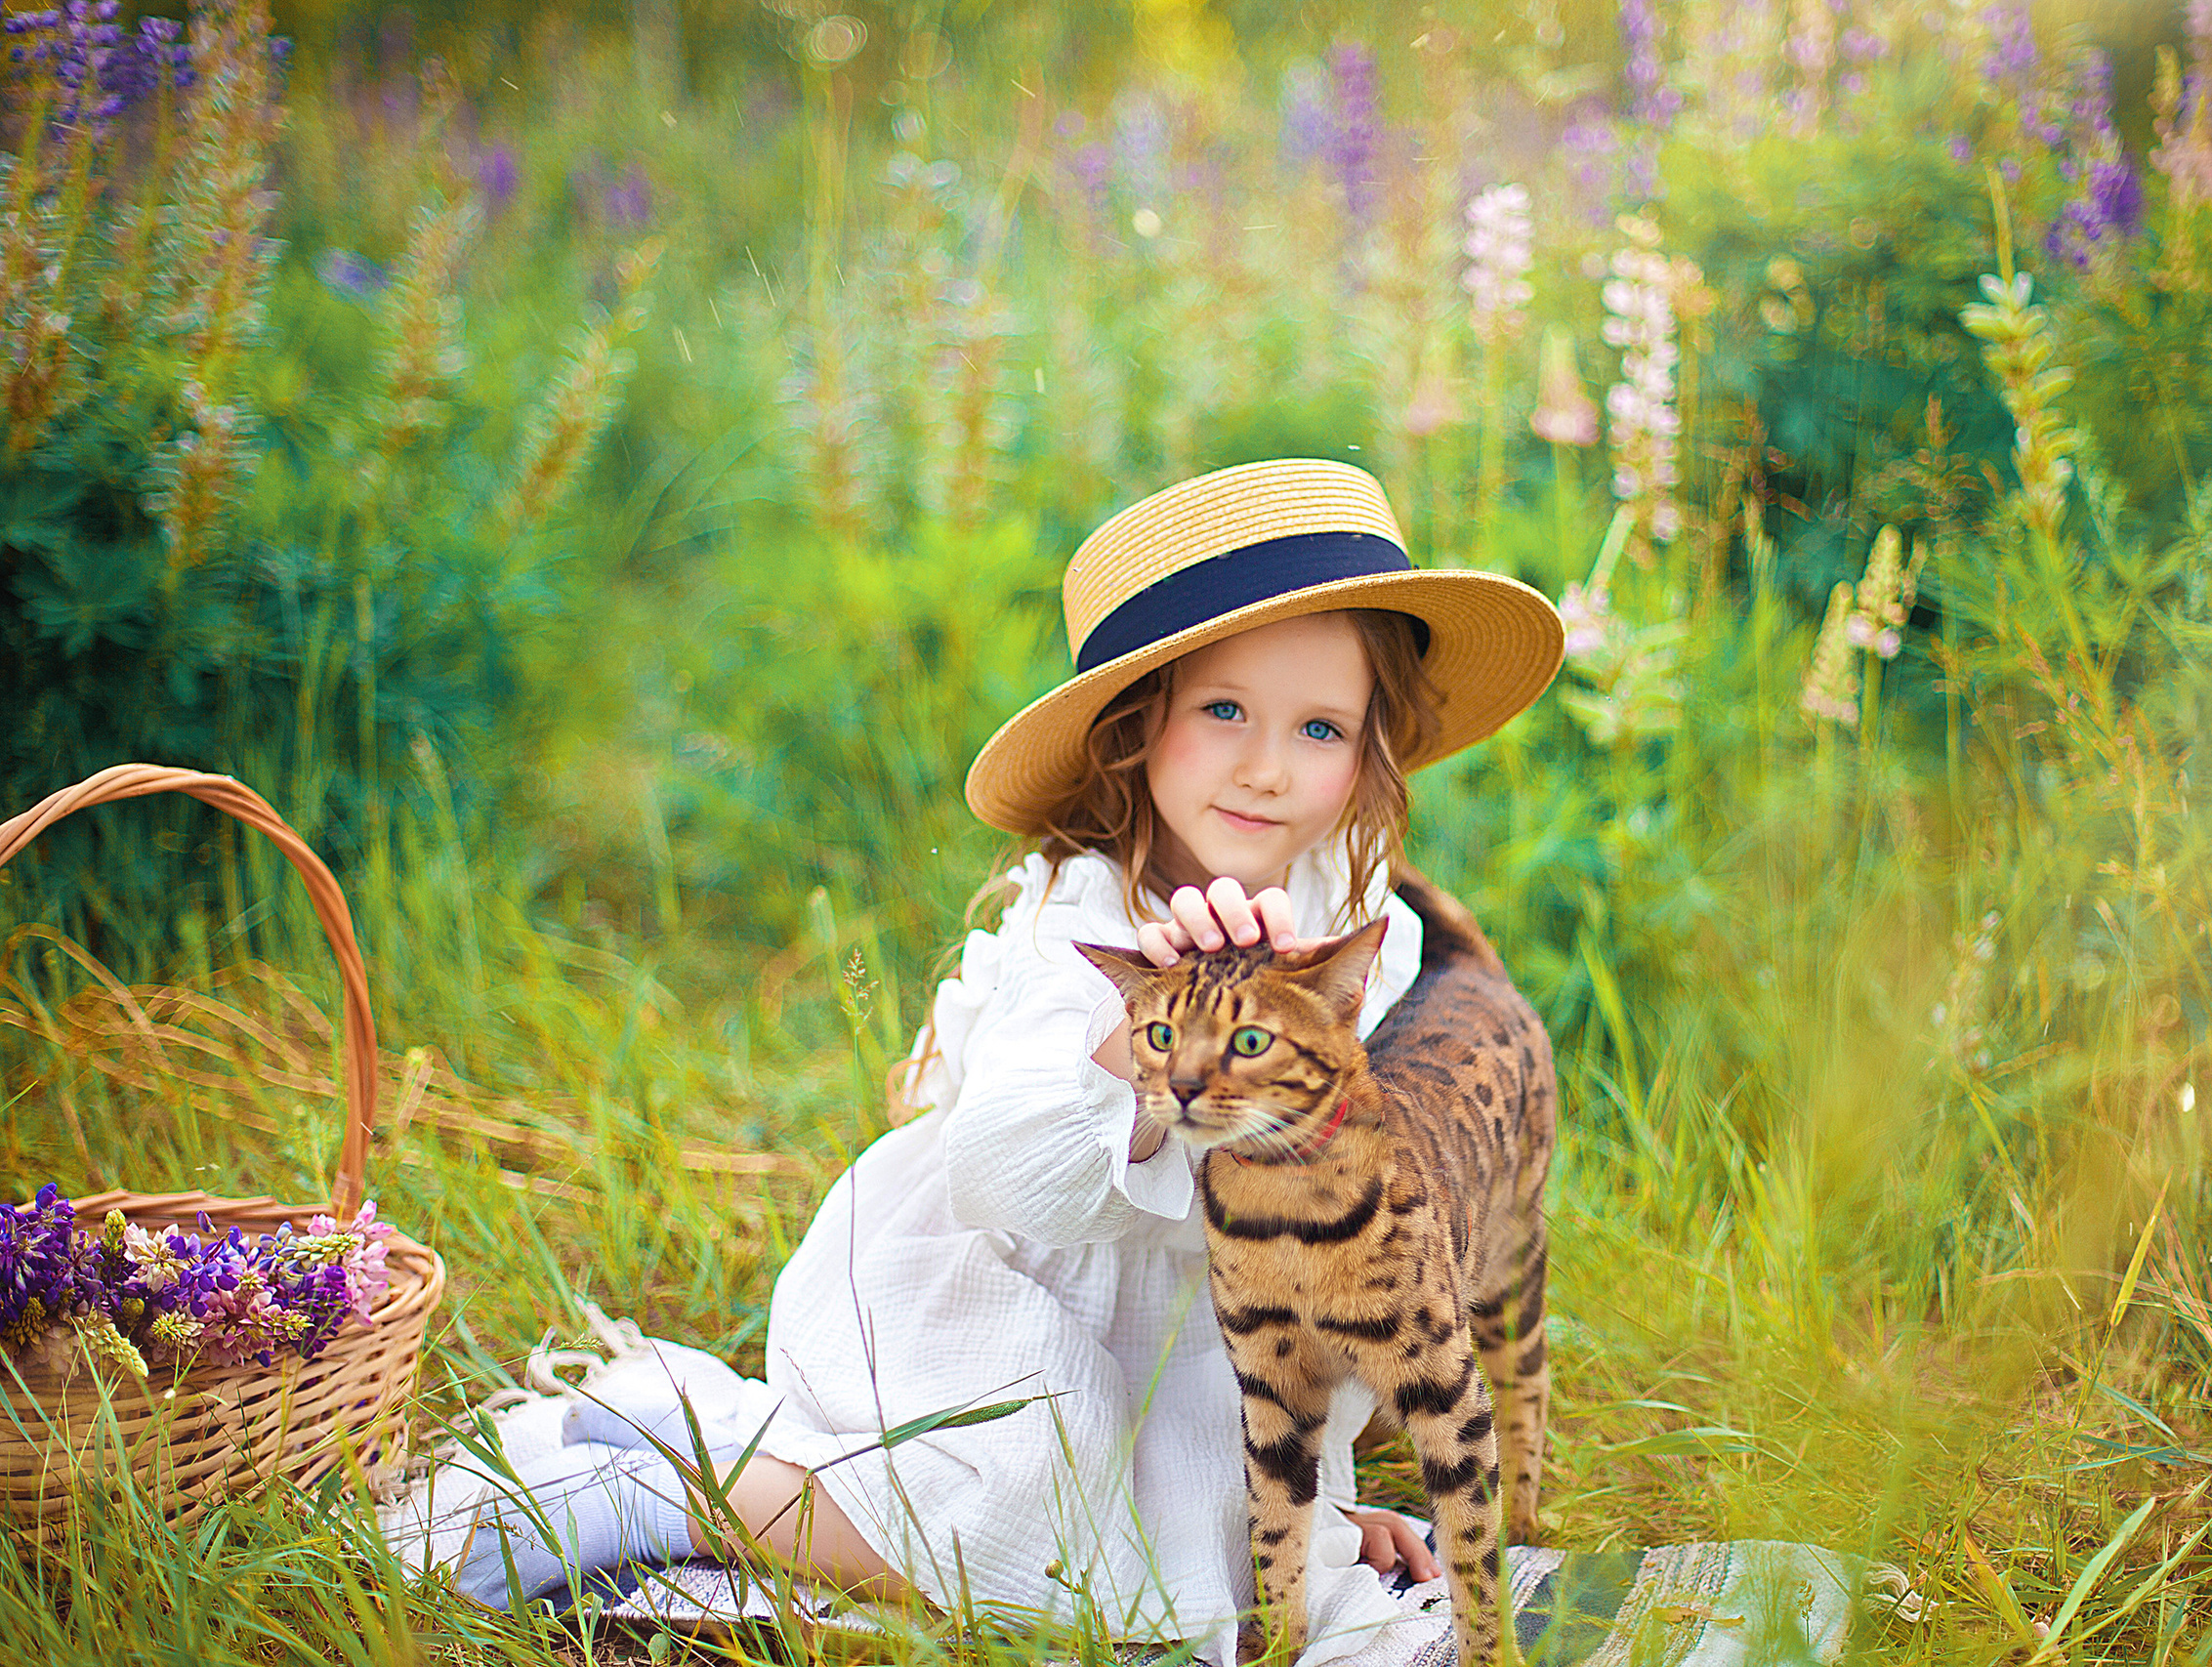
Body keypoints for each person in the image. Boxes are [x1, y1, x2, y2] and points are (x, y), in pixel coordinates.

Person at [391, 459, 1564, 1665]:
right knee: (1042, 1552)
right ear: (1138, 722)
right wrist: (1144, 1034)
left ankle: (660, 1421)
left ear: (1368, 753)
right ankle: (664, 1495)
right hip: (1025, 1291)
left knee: (1216, 1576)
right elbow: (1005, 1172)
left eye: (1319, 728)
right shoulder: (1083, 915)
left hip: (1204, 1324)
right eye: (1224, 712)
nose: (1268, 766)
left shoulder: (1356, 914)